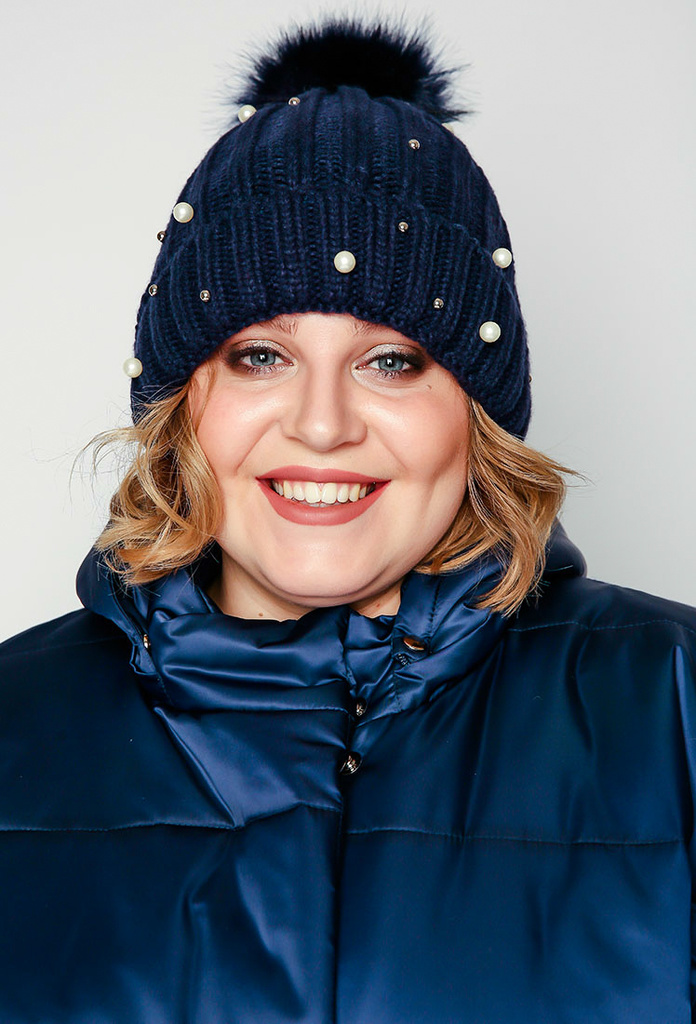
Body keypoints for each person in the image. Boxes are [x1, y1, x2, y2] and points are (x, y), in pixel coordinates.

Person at [1, 16, 695, 1024]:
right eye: (260, 356)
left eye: (392, 361)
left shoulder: (674, 705)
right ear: (181, 403)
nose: (322, 425)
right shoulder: (15, 723)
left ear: (478, 412)